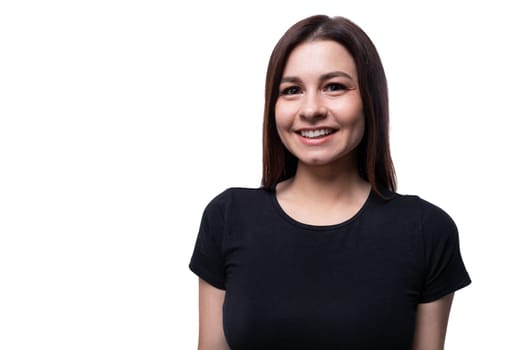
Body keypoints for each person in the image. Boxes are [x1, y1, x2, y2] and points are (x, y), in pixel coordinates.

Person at [189, 14, 471, 350]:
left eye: (334, 86)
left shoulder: (427, 230)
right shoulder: (227, 217)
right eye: (292, 90)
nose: (311, 109)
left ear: (370, 98)